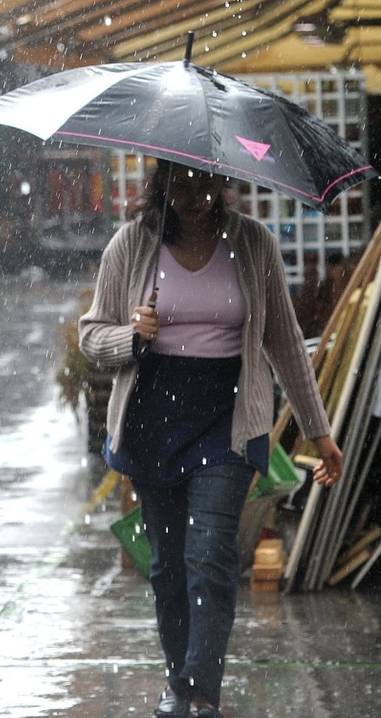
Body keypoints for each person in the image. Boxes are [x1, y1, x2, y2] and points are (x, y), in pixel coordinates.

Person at [78, 161, 343, 718]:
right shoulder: (131, 246)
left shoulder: (252, 244)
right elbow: (91, 336)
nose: (195, 197)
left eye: (205, 183)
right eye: (181, 184)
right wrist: (131, 335)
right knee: (169, 566)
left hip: (229, 418)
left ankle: (200, 690)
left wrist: (321, 434)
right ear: (162, 185)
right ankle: (182, 685)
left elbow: (286, 344)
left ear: (224, 183)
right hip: (154, 420)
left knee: (210, 553)